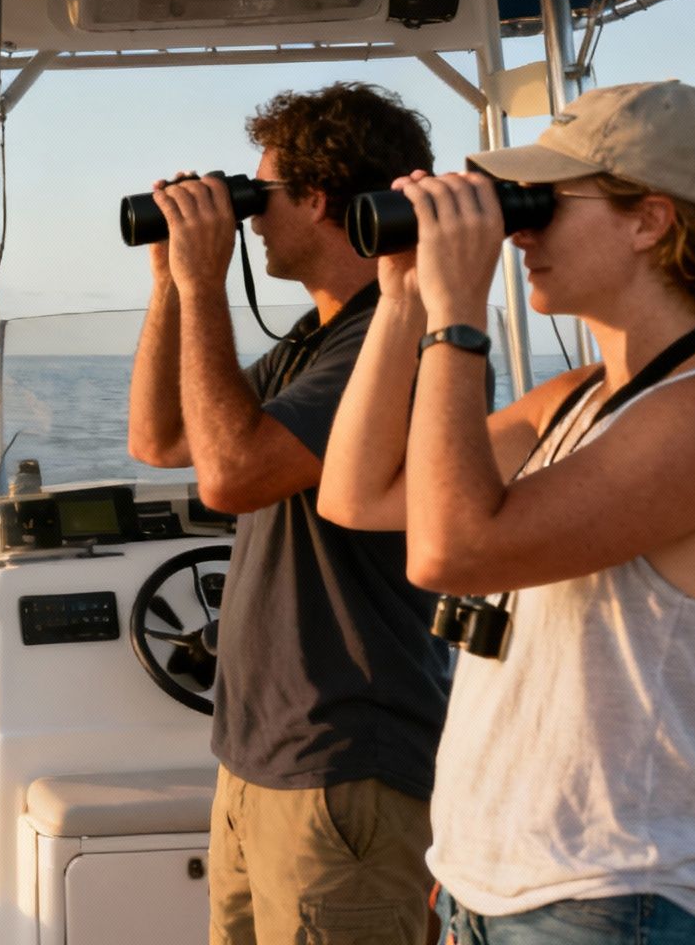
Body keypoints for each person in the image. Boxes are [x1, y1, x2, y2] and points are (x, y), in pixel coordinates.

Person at [318, 79, 695, 945]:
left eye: (542, 202)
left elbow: (450, 552)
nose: (522, 231)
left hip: (620, 904)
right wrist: (403, 299)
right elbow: (356, 495)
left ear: (650, 220)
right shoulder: (583, 397)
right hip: (499, 891)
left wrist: (461, 312)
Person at [126, 82, 452, 945]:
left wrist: (205, 285)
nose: (251, 220)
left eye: (261, 196)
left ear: (318, 198)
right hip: (267, 759)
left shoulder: (387, 337)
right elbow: (161, 440)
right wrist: (170, 282)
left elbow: (230, 478)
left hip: (344, 765)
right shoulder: (319, 340)